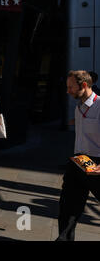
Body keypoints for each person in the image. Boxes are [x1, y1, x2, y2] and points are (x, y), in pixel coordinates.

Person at [57, 70, 100, 241]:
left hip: (97, 164)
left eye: (70, 87)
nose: (68, 91)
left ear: (83, 85)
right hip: (79, 161)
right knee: (67, 208)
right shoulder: (78, 107)